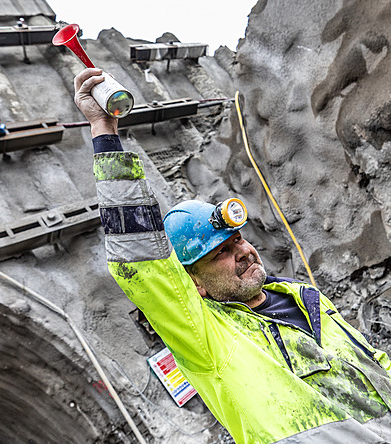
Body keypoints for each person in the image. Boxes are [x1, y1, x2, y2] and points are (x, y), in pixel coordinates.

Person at [74, 67, 391, 443]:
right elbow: (143, 263)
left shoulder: (309, 299)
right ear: (195, 283)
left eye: (238, 240)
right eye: (220, 253)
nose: (242, 252)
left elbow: (373, 362)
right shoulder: (206, 337)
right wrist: (104, 131)